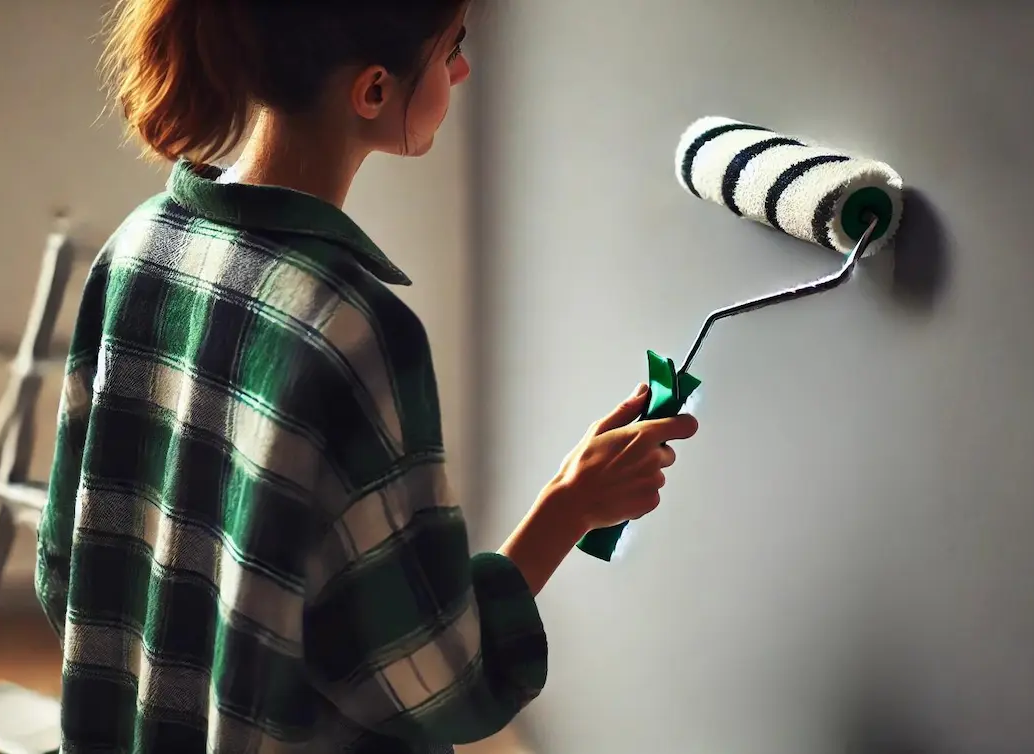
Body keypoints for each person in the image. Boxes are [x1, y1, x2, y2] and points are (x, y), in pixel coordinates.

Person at [34, 1, 700, 752]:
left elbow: (71, 570)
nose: (463, 70)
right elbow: (430, 680)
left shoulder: (137, 251)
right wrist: (570, 508)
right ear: (374, 91)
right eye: (453, 47)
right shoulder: (353, 332)